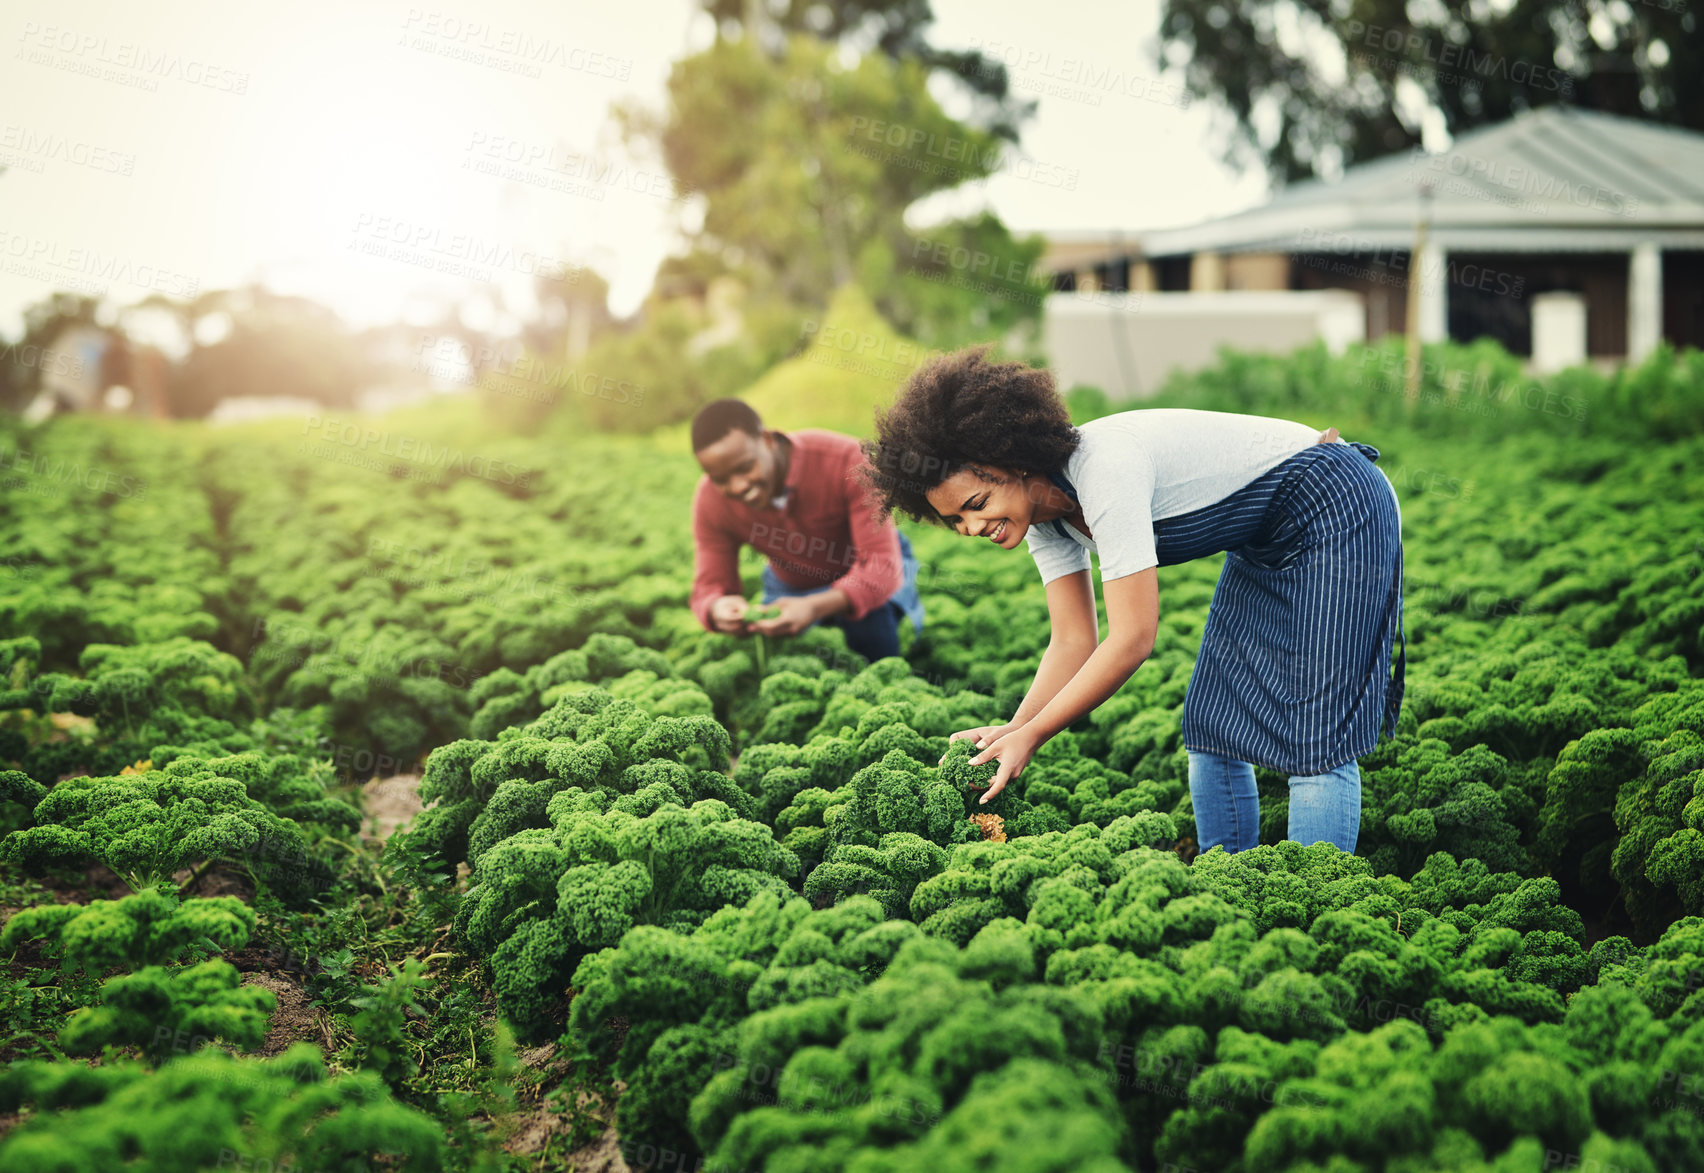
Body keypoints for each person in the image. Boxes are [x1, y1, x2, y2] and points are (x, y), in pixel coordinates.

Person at [859, 347, 1404, 856]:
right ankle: (1231, 880)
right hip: (1265, 536)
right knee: (1213, 725)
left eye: (977, 503)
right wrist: (1014, 727)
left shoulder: (1103, 468)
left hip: (1336, 504)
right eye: (955, 518)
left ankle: (1312, 901)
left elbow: (1133, 639)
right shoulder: (1044, 519)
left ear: (1013, 462)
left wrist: (1036, 735)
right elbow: (1073, 640)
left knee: (1316, 736)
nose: (972, 525)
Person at [689, 398, 925, 663]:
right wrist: (717, 608)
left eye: (745, 467)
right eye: (720, 479)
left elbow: (881, 565)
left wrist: (814, 607)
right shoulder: (710, 500)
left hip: (868, 568)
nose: (738, 486)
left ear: (767, 440)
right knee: (784, 661)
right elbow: (710, 585)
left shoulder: (846, 459)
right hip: (790, 581)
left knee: (876, 645)